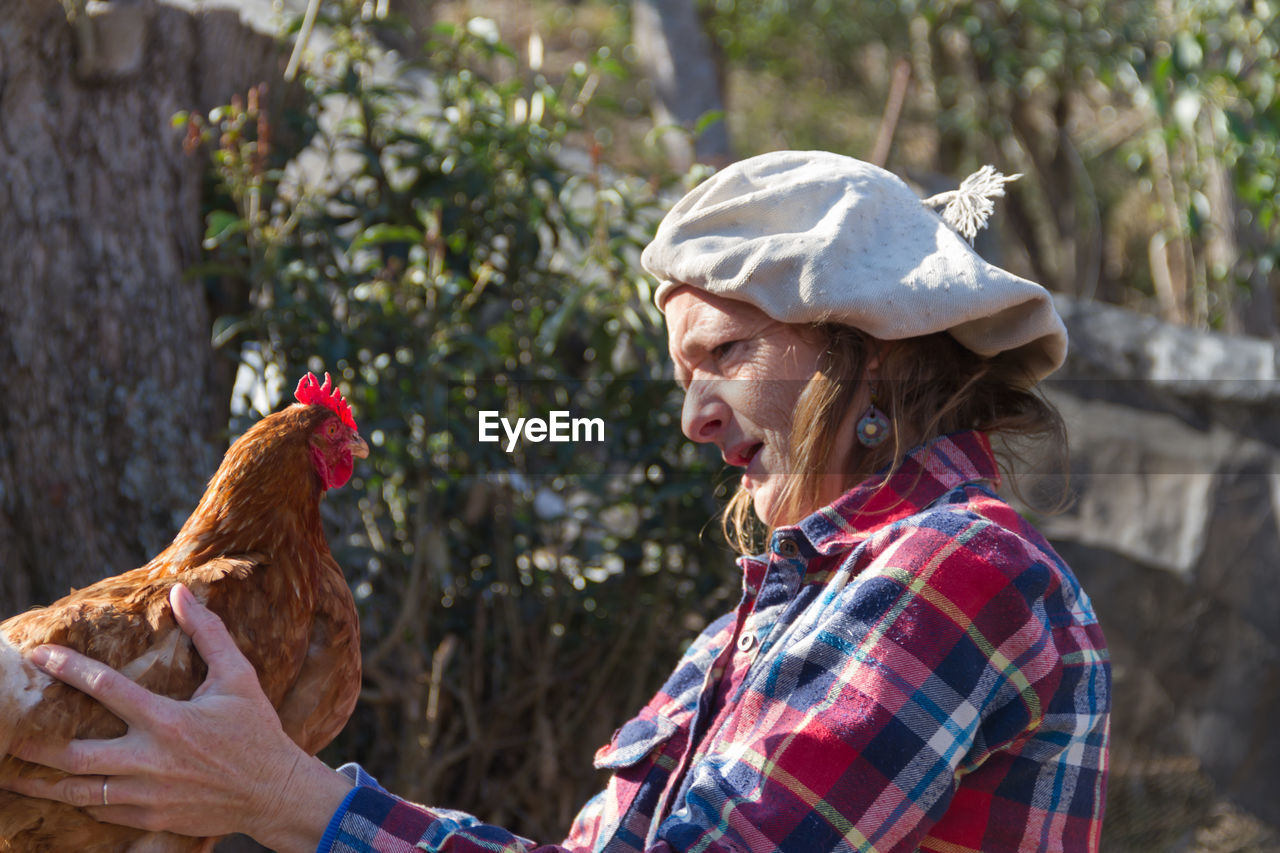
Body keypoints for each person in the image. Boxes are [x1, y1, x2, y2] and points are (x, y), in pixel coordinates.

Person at [1, 151, 1110, 852]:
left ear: (868, 356)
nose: (696, 418)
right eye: (683, 376)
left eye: (723, 353)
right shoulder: (776, 615)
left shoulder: (956, 574)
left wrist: (294, 798)